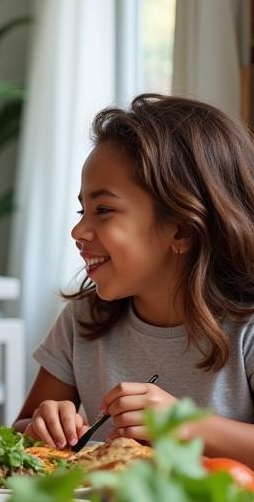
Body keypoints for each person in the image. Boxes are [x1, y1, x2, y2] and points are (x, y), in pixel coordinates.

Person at [17, 94, 254, 466]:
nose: (78, 229)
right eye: (83, 210)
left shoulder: (247, 328)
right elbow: (18, 433)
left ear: (182, 231)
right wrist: (41, 424)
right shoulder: (82, 320)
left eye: (104, 210)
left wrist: (186, 425)